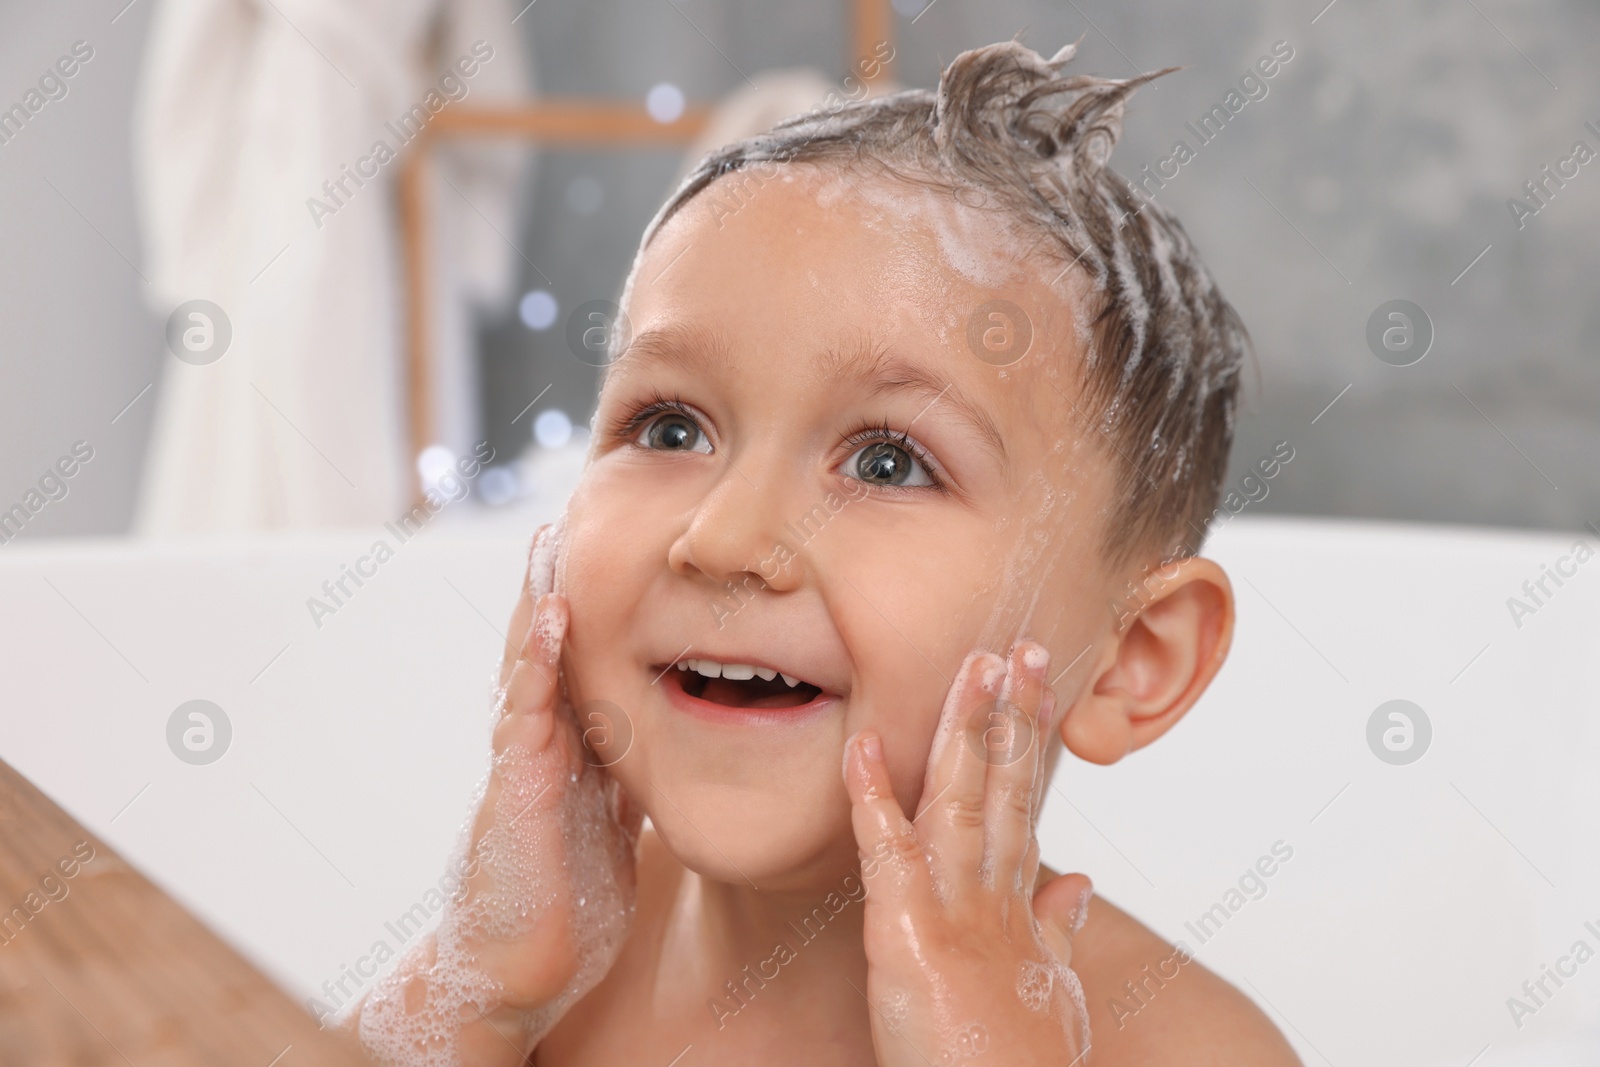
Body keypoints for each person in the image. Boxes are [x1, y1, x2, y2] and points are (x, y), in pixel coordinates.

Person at [343, 38, 1301, 1066]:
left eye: (888, 462)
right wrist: (469, 988)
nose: (723, 536)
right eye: (670, 427)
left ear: (1132, 657)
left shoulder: (1176, 1042)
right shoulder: (543, 970)